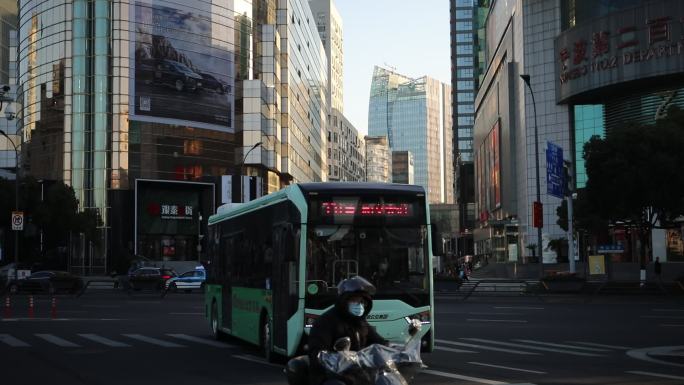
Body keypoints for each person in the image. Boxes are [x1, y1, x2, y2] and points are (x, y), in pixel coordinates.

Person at [307, 276, 418, 385]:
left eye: (361, 302)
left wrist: (401, 350)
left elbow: (379, 343)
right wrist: (339, 359)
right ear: (344, 300)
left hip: (357, 374)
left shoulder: (360, 323)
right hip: (330, 375)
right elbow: (316, 353)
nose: (359, 305)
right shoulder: (326, 322)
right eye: (355, 300)